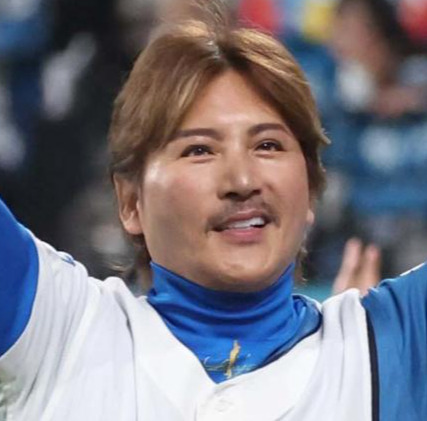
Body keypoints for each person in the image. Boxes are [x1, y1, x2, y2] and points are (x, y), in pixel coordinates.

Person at [0, 1, 425, 419]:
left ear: (311, 190)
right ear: (130, 202)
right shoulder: (57, 329)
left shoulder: (397, 342)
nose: (242, 180)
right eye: (199, 150)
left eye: (268, 145)